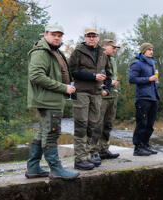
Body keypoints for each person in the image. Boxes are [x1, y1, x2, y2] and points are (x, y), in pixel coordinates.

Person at [25, 23, 80, 180]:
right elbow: (36, 76)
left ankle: (33, 168)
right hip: (48, 100)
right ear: (46, 34)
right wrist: (63, 87)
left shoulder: (53, 51)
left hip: (51, 99)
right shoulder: (41, 52)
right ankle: (56, 169)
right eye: (54, 34)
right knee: (51, 134)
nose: (57, 37)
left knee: (43, 132)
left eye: (60, 35)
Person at [68, 28, 112, 170]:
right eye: (89, 36)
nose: (91, 38)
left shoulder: (102, 54)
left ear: (98, 38)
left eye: (94, 36)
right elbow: (72, 72)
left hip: (97, 93)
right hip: (81, 92)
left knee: (93, 125)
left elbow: (109, 74)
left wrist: (107, 89)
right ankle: (79, 159)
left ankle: (88, 155)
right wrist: (93, 77)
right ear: (85, 37)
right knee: (81, 124)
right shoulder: (78, 52)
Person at [129, 43, 160, 156]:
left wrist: (156, 83)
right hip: (142, 97)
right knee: (142, 123)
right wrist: (148, 79)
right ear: (143, 51)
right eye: (149, 50)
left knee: (150, 124)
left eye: (152, 49)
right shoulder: (137, 63)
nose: (151, 52)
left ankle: (145, 144)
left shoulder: (152, 64)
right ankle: (138, 148)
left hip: (153, 97)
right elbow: (132, 79)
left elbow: (153, 80)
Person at [96, 39, 121, 159]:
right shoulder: (98, 58)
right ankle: (94, 152)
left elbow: (113, 77)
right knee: (97, 124)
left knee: (108, 125)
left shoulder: (113, 60)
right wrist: (107, 86)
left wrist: (115, 87)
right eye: (113, 47)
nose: (115, 50)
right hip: (102, 97)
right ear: (105, 46)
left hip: (112, 96)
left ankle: (104, 150)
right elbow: (95, 77)